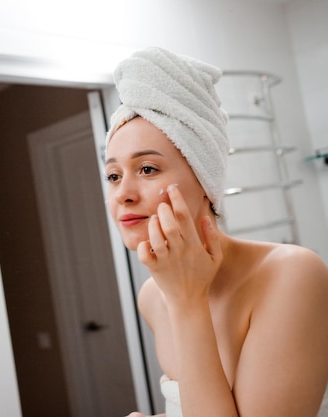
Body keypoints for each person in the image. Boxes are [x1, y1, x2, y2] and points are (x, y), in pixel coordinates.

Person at [104, 47, 328, 417]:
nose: (123, 194)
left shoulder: (293, 275)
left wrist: (187, 302)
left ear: (205, 180)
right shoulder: (152, 296)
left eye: (147, 169)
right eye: (113, 175)